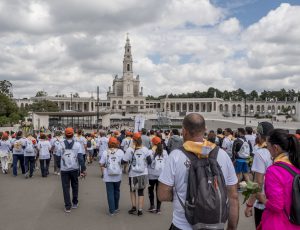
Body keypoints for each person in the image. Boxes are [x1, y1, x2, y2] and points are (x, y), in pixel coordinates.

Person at [158, 113, 239, 230]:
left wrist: (182, 194)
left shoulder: (175, 156)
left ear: (184, 131)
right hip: (215, 225)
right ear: (205, 130)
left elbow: (162, 195)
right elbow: (233, 196)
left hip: (183, 225)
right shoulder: (223, 155)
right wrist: (231, 228)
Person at [258, 129, 300, 230]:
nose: (267, 149)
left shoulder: (274, 171)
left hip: (279, 223)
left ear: (275, 148)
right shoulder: (296, 164)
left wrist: (261, 198)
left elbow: (276, 206)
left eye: (267, 146)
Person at [244, 122, 274, 228]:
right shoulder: (283, 150)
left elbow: (258, 183)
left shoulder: (261, 153)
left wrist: (249, 204)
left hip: (263, 202)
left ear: (260, 136)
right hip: (280, 202)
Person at [122, 132, 152, 216]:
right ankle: (140, 210)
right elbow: (150, 161)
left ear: (133, 140)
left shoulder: (130, 149)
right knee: (141, 191)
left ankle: (134, 207)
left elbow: (124, 160)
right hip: (143, 173)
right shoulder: (145, 149)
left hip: (133, 173)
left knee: (132, 190)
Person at [60, 127, 86, 213]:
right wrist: (83, 169)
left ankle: (67, 206)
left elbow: (57, 156)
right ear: (73, 134)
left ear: (65, 134)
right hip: (75, 168)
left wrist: (58, 166)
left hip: (64, 169)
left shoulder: (61, 144)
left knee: (65, 187)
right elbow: (81, 158)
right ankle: (75, 202)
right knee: (75, 185)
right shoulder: (77, 145)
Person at [99, 137, 124, 216]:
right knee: (117, 191)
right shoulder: (120, 152)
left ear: (108, 143)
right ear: (117, 143)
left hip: (108, 175)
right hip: (118, 174)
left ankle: (112, 211)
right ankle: (116, 207)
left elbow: (101, 163)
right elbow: (123, 162)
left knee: (110, 192)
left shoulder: (105, 152)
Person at [148, 136, 168, 214]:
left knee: (151, 190)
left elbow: (148, 162)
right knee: (159, 191)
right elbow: (167, 163)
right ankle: (158, 209)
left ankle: (152, 206)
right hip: (161, 175)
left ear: (153, 143)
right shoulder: (165, 152)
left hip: (151, 174)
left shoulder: (150, 151)